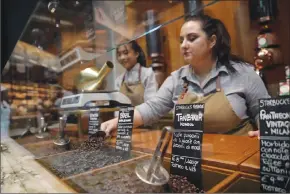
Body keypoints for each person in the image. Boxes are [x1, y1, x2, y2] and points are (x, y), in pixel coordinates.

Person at [101, 14, 270, 136]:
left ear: (212, 41)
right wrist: (118, 121)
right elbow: (152, 108)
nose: (183, 45)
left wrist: (265, 131)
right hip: (192, 159)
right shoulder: (177, 79)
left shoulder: (242, 72)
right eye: (181, 40)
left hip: (240, 159)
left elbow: (264, 111)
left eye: (191, 38)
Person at [115, 40, 159, 106]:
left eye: (126, 53)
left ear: (136, 54)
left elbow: (151, 104)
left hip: (144, 115)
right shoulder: (119, 80)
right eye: (119, 54)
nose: (122, 57)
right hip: (124, 116)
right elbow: (117, 107)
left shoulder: (148, 74)